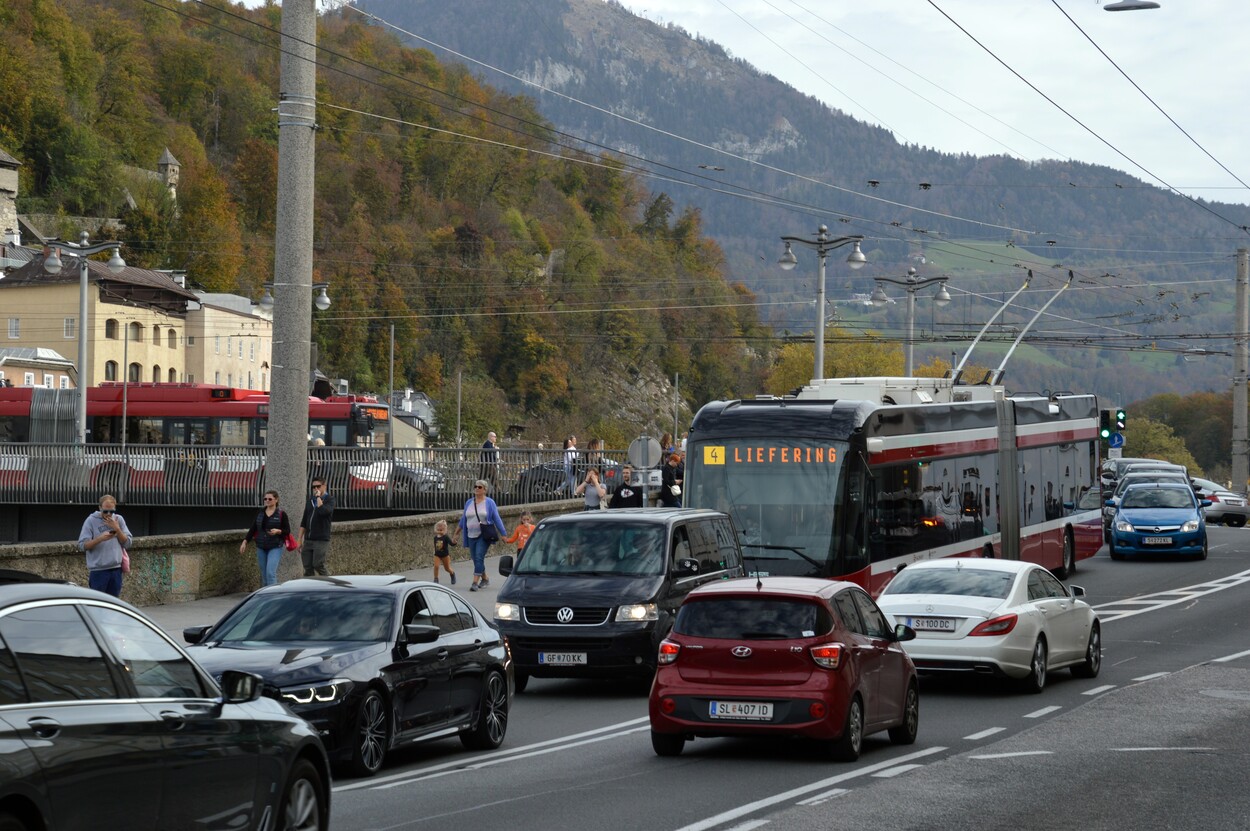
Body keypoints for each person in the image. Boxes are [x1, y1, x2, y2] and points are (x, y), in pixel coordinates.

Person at [77, 494, 132, 597]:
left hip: (116, 570)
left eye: (111, 511)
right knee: (98, 604)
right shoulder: (90, 521)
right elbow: (82, 545)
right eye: (105, 511)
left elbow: (128, 543)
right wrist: (100, 539)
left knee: (113, 605)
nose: (108, 514)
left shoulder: (119, 520)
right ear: (100, 508)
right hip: (98, 571)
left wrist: (117, 529)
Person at [457, 479, 506, 592]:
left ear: (485, 490)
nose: (476, 489)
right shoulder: (469, 502)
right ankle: (485, 578)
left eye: (479, 487)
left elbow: (496, 518)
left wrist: (503, 534)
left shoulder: (489, 502)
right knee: (475, 559)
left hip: (483, 535)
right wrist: (457, 532)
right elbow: (464, 519)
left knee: (479, 557)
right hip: (470, 535)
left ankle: (474, 582)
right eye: (475, 486)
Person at [241, 489, 291, 587]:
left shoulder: (281, 514)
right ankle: (265, 597)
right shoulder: (260, 512)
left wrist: (278, 531)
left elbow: (287, 530)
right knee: (264, 575)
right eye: (265, 499)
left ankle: (273, 596)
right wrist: (245, 541)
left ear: (276, 500)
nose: (267, 501)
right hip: (261, 546)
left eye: (270, 499)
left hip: (275, 546)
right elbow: (253, 528)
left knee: (270, 573)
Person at [298, 476, 335, 576]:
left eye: (318, 486)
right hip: (308, 539)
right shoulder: (310, 501)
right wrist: (299, 540)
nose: (315, 489)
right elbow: (304, 521)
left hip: (321, 539)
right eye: (313, 487)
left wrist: (318, 497)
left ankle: (330, 584)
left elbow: (324, 512)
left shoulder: (329, 500)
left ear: (324, 486)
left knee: (318, 564)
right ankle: (309, 588)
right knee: (307, 566)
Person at [432, 519, 457, 584]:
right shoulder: (435, 538)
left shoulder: (445, 537)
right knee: (436, 566)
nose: (440, 531)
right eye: (438, 530)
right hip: (437, 554)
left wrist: (454, 542)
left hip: (445, 555)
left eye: (441, 530)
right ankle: (436, 578)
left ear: (445, 530)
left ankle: (452, 573)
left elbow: (451, 543)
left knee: (447, 568)